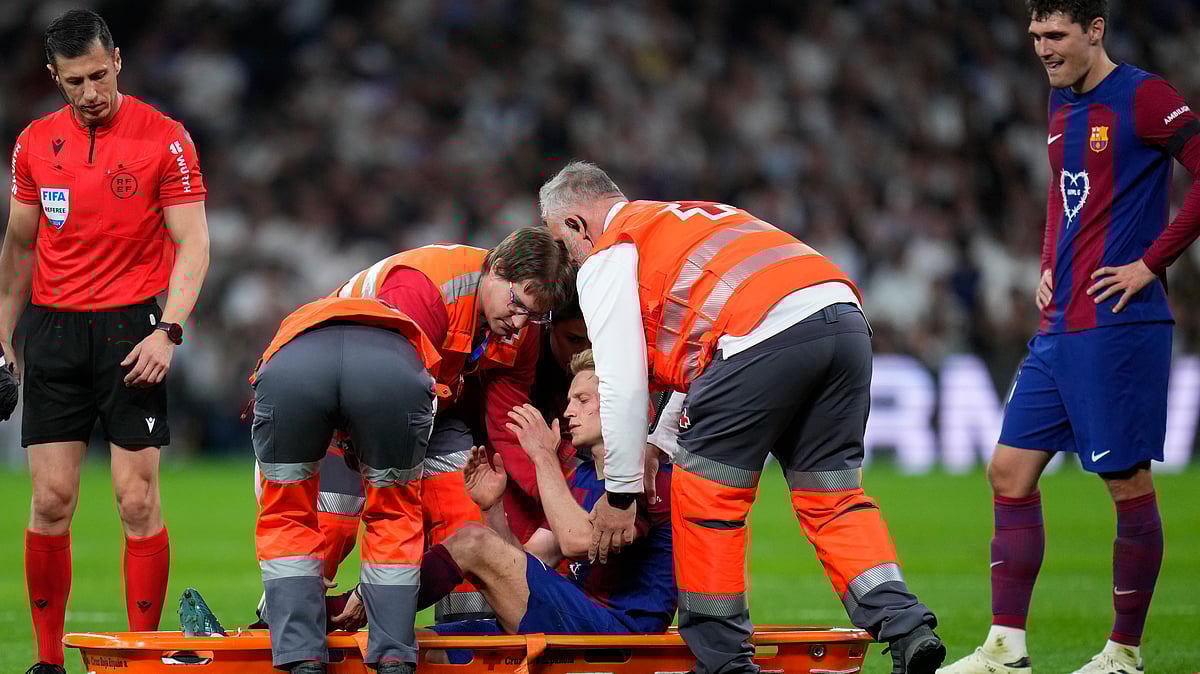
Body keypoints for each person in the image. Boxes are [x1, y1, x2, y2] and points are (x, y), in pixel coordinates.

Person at [540, 161, 944, 674]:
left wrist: (620, 496)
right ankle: (905, 625)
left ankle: (725, 662)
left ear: (577, 224)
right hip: (842, 319)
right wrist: (656, 446)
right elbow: (702, 350)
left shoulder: (609, 253)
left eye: (560, 241)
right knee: (833, 497)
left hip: (761, 336)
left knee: (705, 497)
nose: (565, 259)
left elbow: (621, 379)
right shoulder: (697, 216)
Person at [938, 2, 1200, 674]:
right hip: (1061, 326)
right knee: (1008, 471)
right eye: (1034, 36)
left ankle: (1124, 652)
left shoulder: (1145, 96)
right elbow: (1063, 194)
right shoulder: (1059, 105)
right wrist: (1050, 262)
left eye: (1055, 35)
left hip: (1119, 324)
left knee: (1125, 483)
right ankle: (1006, 647)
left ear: (1095, 30)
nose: (1043, 49)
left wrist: (1151, 263)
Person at [252, 227, 573, 674]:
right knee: (338, 517)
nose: (519, 323)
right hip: (347, 401)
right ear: (496, 270)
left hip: (417, 401)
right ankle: (284, 623)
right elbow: (385, 399)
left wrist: (552, 496)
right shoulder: (426, 285)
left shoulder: (519, 328)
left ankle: (468, 640)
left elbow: (506, 423)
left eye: (535, 316)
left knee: (463, 505)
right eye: (517, 305)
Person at [0, 10, 210, 674]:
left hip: (131, 328)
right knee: (51, 499)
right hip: (55, 329)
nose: (90, 93)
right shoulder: (34, 143)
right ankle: (46, 663)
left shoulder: (165, 138)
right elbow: (18, 248)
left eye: (98, 75)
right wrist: (0, 339)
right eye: (74, 82)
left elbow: (195, 242)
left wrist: (168, 332)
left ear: (116, 60)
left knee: (137, 499)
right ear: (53, 78)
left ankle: (141, 658)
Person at [419, 348, 677, 642]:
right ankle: (379, 610)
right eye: (569, 401)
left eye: (582, 400)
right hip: (572, 618)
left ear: (622, 405)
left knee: (471, 540)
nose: (568, 412)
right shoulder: (581, 478)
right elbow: (530, 559)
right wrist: (492, 507)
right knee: (428, 646)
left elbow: (576, 540)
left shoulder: (652, 479)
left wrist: (543, 456)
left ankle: (374, 602)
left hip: (620, 633)